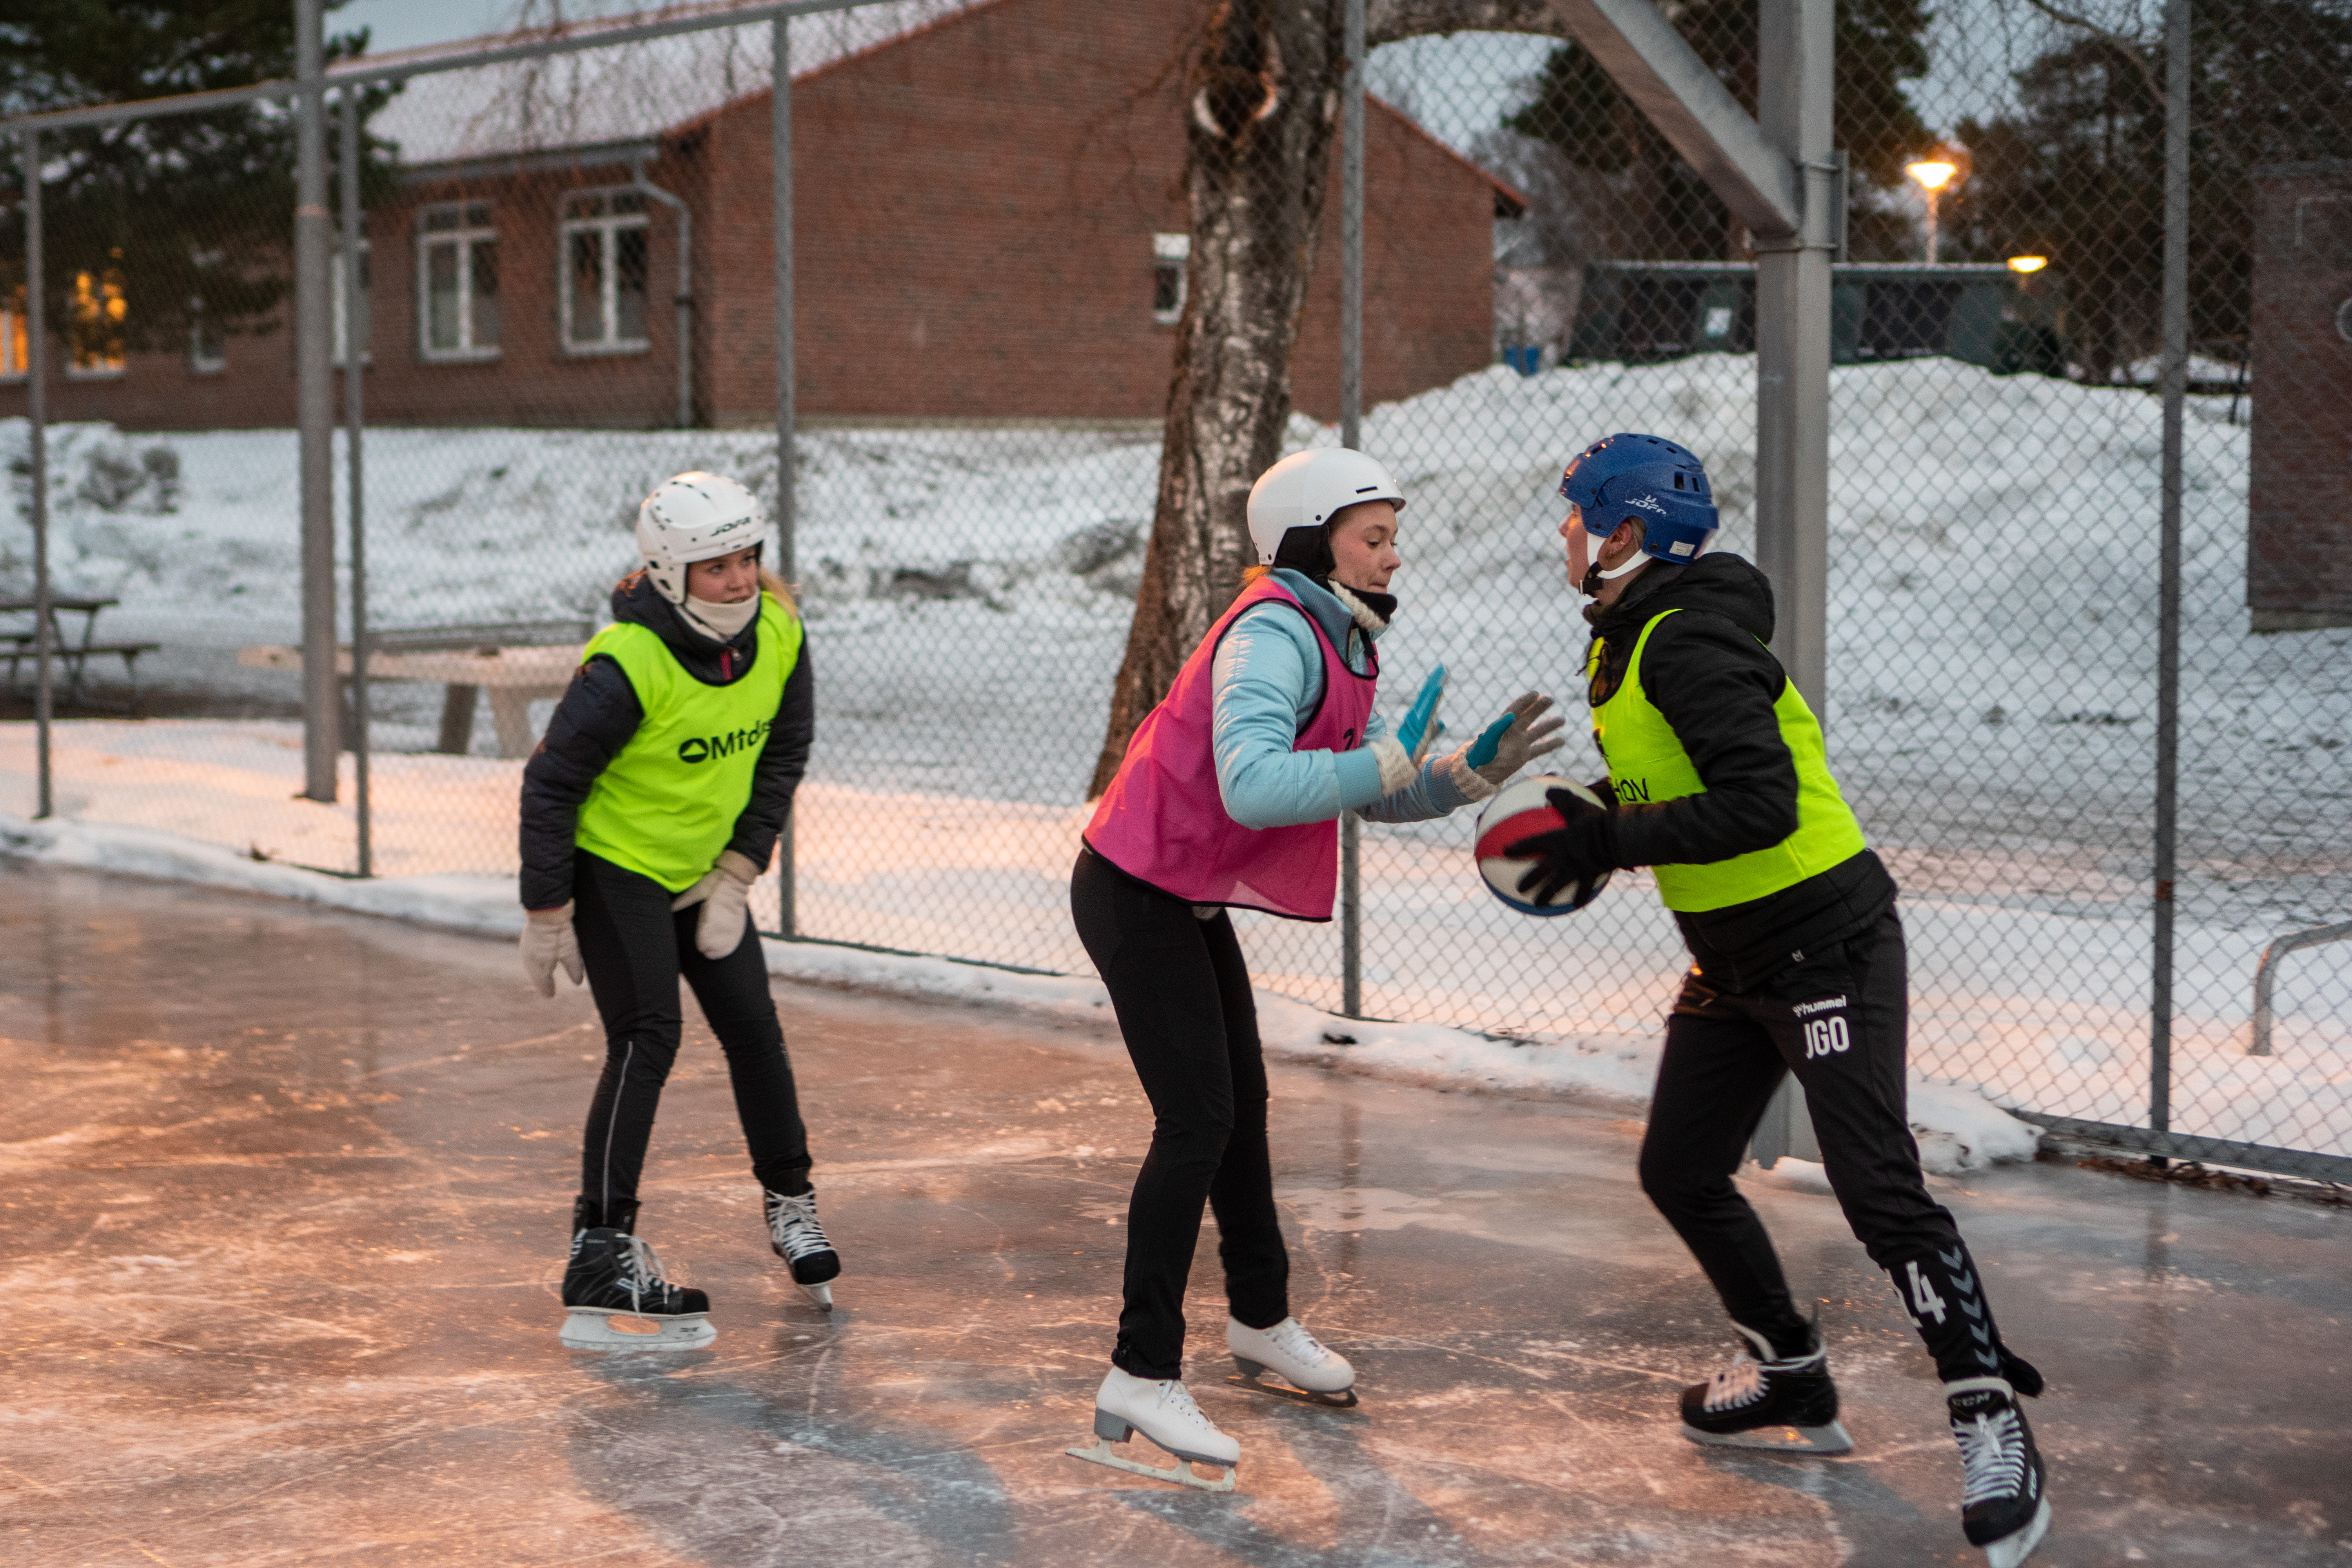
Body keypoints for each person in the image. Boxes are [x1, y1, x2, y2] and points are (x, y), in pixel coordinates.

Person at [1504, 434, 2052, 1568]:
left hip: (1825, 945)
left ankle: (1991, 1418)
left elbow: (1760, 803)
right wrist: (1598, 815)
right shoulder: (1635, 633)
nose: (1562, 533)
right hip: (1733, 958)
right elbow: (1686, 775)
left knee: (1880, 1192)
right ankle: (1792, 1370)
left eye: (1576, 515)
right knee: (1680, 1169)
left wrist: (1609, 837)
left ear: (1626, 536)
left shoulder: (1687, 637)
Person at [1067, 447, 1565, 1488]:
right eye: (1373, 536)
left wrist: (1458, 778)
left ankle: (1259, 1319)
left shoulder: (1335, 632)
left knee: (1239, 1105)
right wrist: (1380, 765)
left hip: (1179, 891)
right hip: (1133, 890)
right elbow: (1254, 783)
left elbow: (1363, 784)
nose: (1394, 554)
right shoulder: (1272, 632)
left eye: (1392, 535)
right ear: (1308, 541)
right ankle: (1139, 1372)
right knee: (1197, 1119)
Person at [517, 471, 837, 1350]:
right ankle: (601, 1248)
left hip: (704, 871)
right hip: (618, 868)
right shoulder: (626, 664)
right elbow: (551, 782)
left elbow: (785, 748)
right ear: (667, 572)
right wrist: (549, 907)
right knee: (649, 1035)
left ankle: (791, 1203)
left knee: (754, 1028)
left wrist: (740, 866)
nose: (738, 580)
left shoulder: (779, 631)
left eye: (746, 559)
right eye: (715, 567)